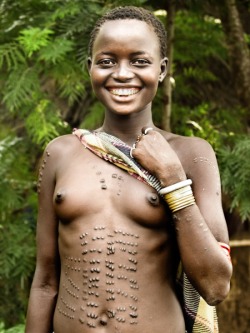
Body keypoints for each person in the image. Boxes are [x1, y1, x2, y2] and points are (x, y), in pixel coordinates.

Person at [25, 6, 232, 333]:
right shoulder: (61, 153)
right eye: (107, 61)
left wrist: (173, 181)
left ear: (162, 70)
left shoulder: (189, 154)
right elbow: (46, 281)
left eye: (139, 61)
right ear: (89, 67)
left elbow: (216, 285)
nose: (122, 74)